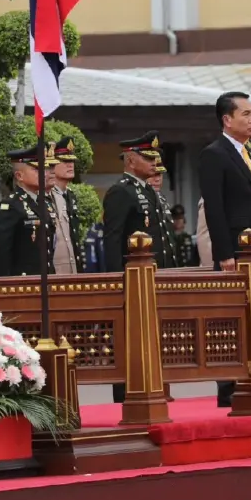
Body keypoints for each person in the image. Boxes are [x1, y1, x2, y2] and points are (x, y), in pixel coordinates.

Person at [199, 92, 251, 408]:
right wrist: (224, 254)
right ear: (227, 119)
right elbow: (215, 208)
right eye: (245, 114)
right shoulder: (214, 154)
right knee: (228, 319)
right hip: (232, 254)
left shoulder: (248, 153)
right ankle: (228, 388)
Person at [103, 132, 167, 404]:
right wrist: (117, 279)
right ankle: (126, 395)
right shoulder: (121, 191)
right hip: (132, 279)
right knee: (131, 340)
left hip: (152, 276)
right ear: (131, 159)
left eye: (154, 157)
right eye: (147, 157)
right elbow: (113, 238)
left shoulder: (145, 190)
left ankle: (152, 388)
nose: (154, 162)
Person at [0, 142, 53, 277]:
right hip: (23, 283)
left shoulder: (44, 203)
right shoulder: (10, 207)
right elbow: (1, 254)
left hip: (45, 279)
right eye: (36, 170)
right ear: (19, 176)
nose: (43, 173)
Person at [49, 136, 82, 275]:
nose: (70, 165)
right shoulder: (45, 196)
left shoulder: (70, 195)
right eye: (65, 161)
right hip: (55, 271)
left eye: (72, 161)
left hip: (72, 269)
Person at [147, 158, 178, 269]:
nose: (157, 180)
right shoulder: (141, 199)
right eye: (153, 175)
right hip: (150, 265)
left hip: (168, 265)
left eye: (159, 175)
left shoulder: (162, 199)